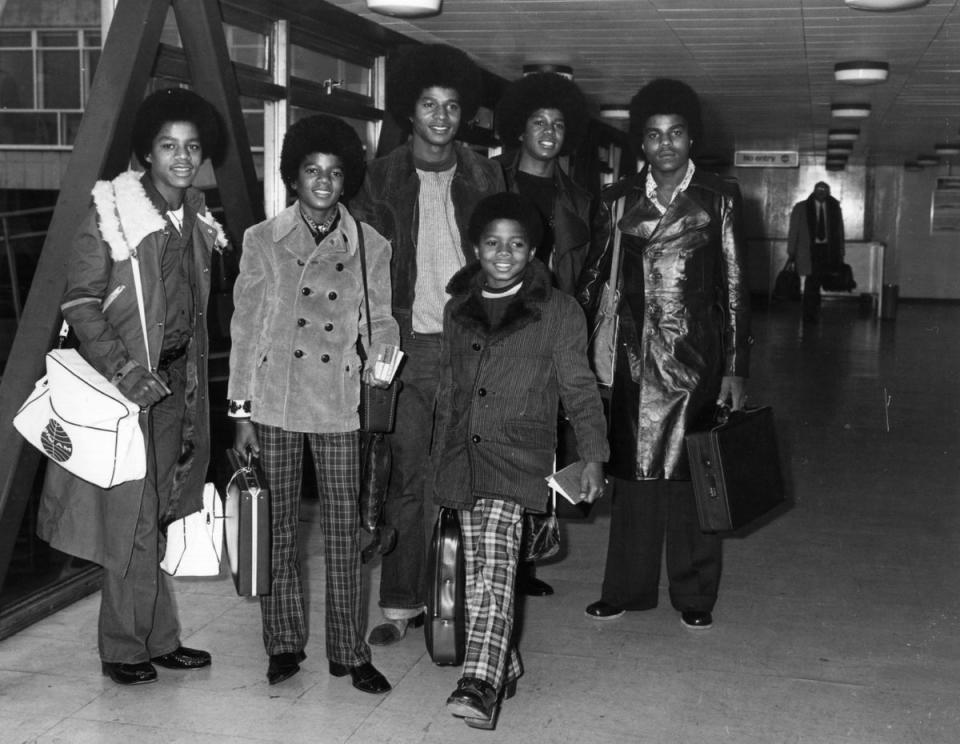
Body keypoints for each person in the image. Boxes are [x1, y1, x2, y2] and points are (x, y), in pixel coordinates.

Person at [37, 87, 227, 685]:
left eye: (191, 147)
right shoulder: (112, 213)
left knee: (162, 512)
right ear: (147, 151)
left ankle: (158, 638)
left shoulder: (195, 215)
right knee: (132, 519)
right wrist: (123, 369)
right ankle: (123, 646)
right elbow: (80, 301)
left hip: (177, 388)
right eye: (169, 145)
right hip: (125, 391)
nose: (181, 156)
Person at [227, 114, 397, 692]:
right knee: (275, 530)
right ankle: (282, 644)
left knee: (344, 532)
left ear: (346, 179)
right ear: (293, 176)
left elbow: (382, 318)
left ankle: (349, 651)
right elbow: (245, 324)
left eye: (333, 172)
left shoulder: (370, 244)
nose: (323, 181)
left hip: (340, 402)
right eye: (311, 170)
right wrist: (239, 410)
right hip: (274, 399)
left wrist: (383, 366)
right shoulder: (261, 239)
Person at [576, 78, 752, 630]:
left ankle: (694, 595)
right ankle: (625, 589)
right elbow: (592, 279)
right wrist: (562, 340)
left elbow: (735, 289)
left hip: (696, 358)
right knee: (631, 476)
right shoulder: (618, 198)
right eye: (654, 135)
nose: (666, 145)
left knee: (693, 476)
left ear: (691, 139)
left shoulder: (720, 198)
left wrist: (736, 368)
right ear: (641, 144)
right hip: (632, 358)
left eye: (676, 134)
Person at [432, 192, 608, 729]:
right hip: (464, 455)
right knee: (481, 573)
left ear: (533, 250)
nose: (503, 254)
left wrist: (594, 455)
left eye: (516, 244)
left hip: (519, 456)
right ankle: (503, 661)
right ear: (475, 247)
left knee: (496, 569)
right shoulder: (457, 307)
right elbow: (450, 387)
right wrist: (438, 456)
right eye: (492, 243)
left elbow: (579, 388)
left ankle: (479, 681)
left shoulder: (558, 310)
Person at [349, 43, 505, 647]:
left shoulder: (485, 174)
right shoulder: (379, 177)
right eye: (429, 105)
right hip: (405, 347)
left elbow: (503, 254)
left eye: (451, 106)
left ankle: (457, 600)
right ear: (409, 112)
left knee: (463, 473)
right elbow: (359, 266)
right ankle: (401, 600)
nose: (441, 117)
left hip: (471, 344)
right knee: (407, 474)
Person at [494, 70, 595, 597]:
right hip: (498, 328)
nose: (548, 131)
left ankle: (524, 560)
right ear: (519, 128)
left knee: (541, 447)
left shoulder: (577, 198)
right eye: (538, 121)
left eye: (557, 123)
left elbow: (585, 272)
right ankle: (497, 561)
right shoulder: (490, 181)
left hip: (552, 328)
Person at [787, 181, 845, 323]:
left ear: (828, 192)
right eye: (819, 189)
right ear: (813, 191)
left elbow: (839, 230)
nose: (821, 192)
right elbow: (794, 230)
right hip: (809, 249)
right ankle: (809, 313)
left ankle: (813, 310)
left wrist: (841, 250)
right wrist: (791, 250)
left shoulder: (834, 207)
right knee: (811, 280)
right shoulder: (801, 207)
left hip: (827, 249)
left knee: (819, 279)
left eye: (824, 189)